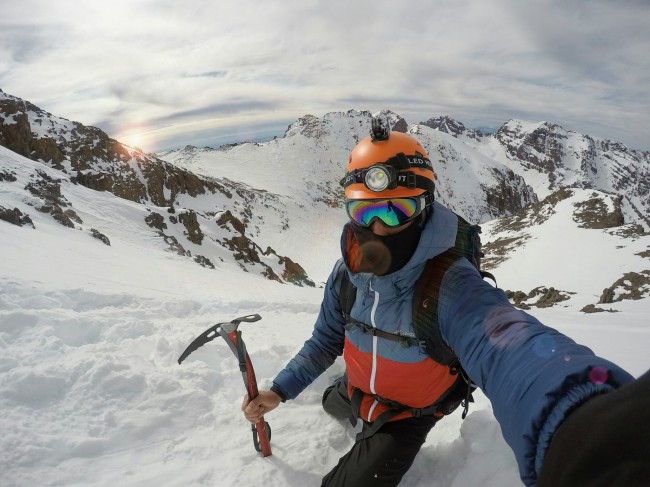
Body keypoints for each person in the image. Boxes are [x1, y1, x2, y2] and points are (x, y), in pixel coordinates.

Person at [242, 120, 648, 486]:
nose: (378, 229)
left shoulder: (448, 283)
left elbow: (507, 343)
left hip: (406, 414)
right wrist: (279, 390)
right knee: (333, 401)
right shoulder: (345, 275)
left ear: (425, 208)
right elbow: (325, 341)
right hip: (358, 388)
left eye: (396, 211)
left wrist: (580, 421)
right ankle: (347, 395)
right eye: (364, 212)